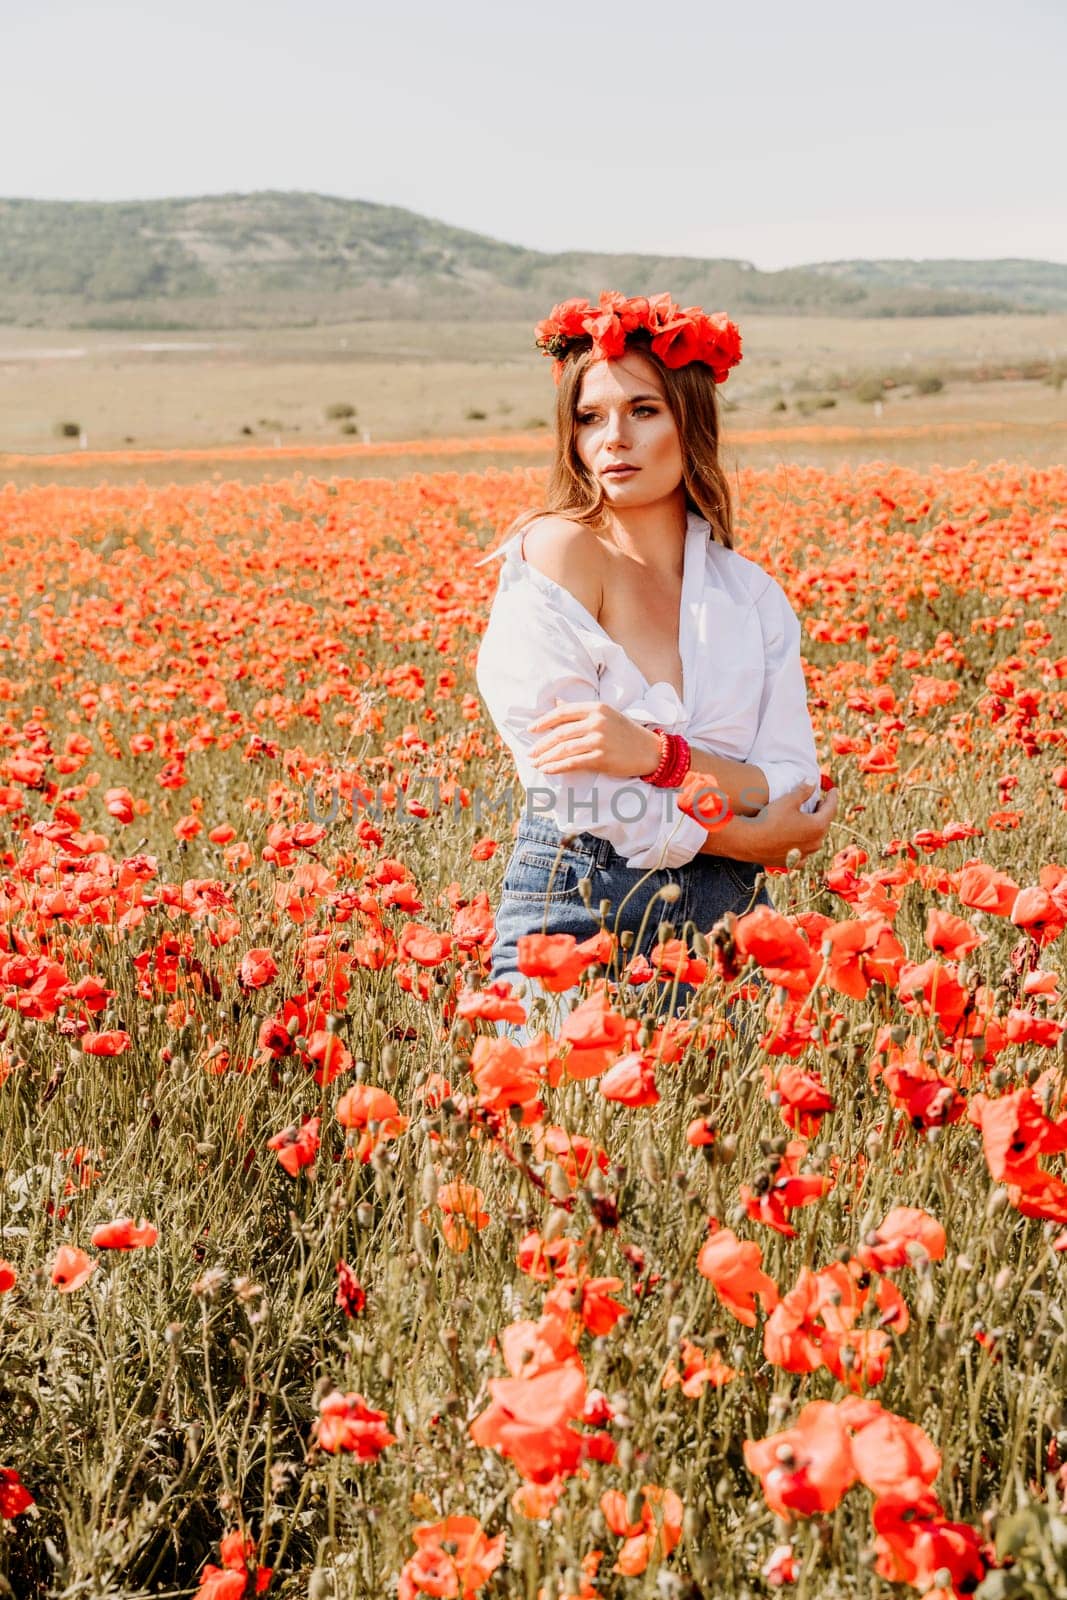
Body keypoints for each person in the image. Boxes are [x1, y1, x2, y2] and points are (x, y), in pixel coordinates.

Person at [473, 291, 838, 1043]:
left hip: (726, 930)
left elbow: (793, 785)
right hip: (574, 914)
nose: (613, 439)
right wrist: (742, 833)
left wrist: (656, 756)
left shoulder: (751, 596)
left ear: (689, 420)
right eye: (589, 417)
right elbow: (572, 796)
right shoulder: (556, 553)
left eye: (642, 411)